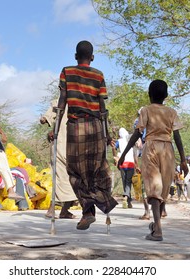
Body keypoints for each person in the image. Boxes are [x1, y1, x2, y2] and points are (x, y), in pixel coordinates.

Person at [53, 40, 118, 230]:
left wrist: (55, 130)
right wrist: (106, 134)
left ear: (75, 56)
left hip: (76, 127)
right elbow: (103, 107)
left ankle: (89, 210)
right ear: (92, 57)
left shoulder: (67, 72)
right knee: (97, 170)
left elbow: (62, 101)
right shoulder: (98, 75)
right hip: (96, 127)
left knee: (75, 172)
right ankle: (98, 206)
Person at [118, 79, 188, 241]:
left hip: (151, 148)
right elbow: (177, 136)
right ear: (167, 95)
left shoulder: (146, 110)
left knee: (154, 188)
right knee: (162, 187)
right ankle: (156, 224)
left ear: (149, 95)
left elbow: (137, 133)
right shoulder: (172, 112)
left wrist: (123, 154)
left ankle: (157, 230)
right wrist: (183, 160)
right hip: (168, 150)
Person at [40, 101, 78, 219]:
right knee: (61, 177)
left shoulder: (79, 102)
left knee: (73, 179)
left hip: (74, 145)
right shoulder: (59, 102)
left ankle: (65, 211)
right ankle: (52, 209)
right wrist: (51, 125)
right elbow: (44, 119)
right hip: (61, 145)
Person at [112, 127, 140, 209]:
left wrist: (114, 156)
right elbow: (135, 154)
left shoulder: (119, 141)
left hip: (122, 163)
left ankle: (128, 201)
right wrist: (137, 165)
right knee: (128, 182)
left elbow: (113, 147)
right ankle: (126, 197)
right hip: (130, 163)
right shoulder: (131, 140)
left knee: (125, 182)